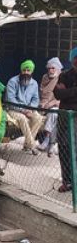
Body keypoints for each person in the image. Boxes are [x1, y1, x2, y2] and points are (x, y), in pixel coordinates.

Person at [5, 60, 44, 154]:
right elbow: (11, 100)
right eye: (24, 70)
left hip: (28, 109)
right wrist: (23, 111)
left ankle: (27, 145)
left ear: (32, 72)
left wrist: (30, 109)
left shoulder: (34, 83)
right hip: (13, 109)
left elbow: (35, 99)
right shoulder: (13, 81)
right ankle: (32, 146)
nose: (26, 72)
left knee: (39, 118)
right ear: (21, 70)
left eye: (28, 70)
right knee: (23, 118)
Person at [53, 47, 77, 192]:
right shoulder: (64, 75)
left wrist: (67, 91)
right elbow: (57, 95)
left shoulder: (64, 79)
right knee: (64, 147)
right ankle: (67, 181)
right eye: (75, 57)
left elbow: (63, 93)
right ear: (71, 59)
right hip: (64, 117)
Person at [37, 57, 62, 153]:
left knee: (54, 114)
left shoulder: (61, 78)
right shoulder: (45, 77)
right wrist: (42, 103)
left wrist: (53, 103)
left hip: (56, 106)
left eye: (53, 68)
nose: (50, 70)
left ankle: (48, 140)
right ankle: (51, 144)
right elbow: (41, 93)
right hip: (43, 106)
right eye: (49, 68)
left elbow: (62, 97)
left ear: (58, 69)